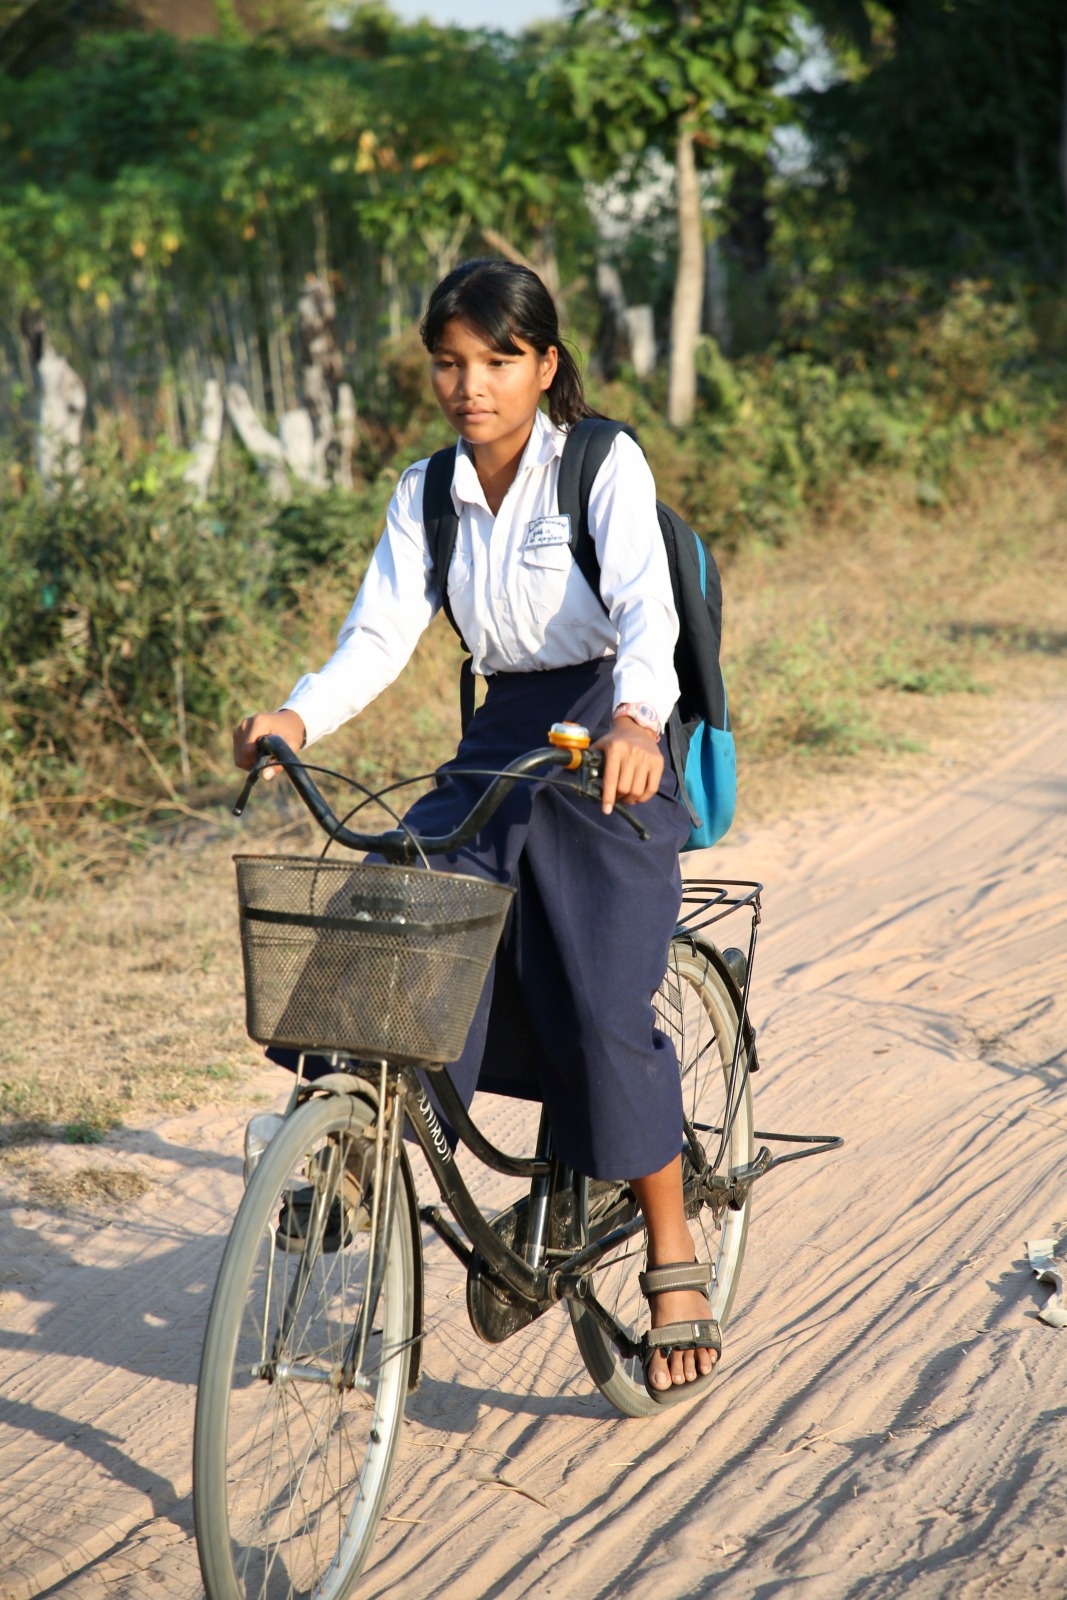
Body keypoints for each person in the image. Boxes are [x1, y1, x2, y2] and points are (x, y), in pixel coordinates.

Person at [233, 258, 719, 1403]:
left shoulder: (598, 461)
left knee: (603, 1005)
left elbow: (646, 609)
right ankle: (346, 1145)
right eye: (449, 362)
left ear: (542, 366)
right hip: (502, 730)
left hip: (607, 728)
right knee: (389, 908)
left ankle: (670, 1251)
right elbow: (378, 633)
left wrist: (643, 720)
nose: (471, 384)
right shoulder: (425, 491)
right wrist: (296, 712)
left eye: (497, 360)